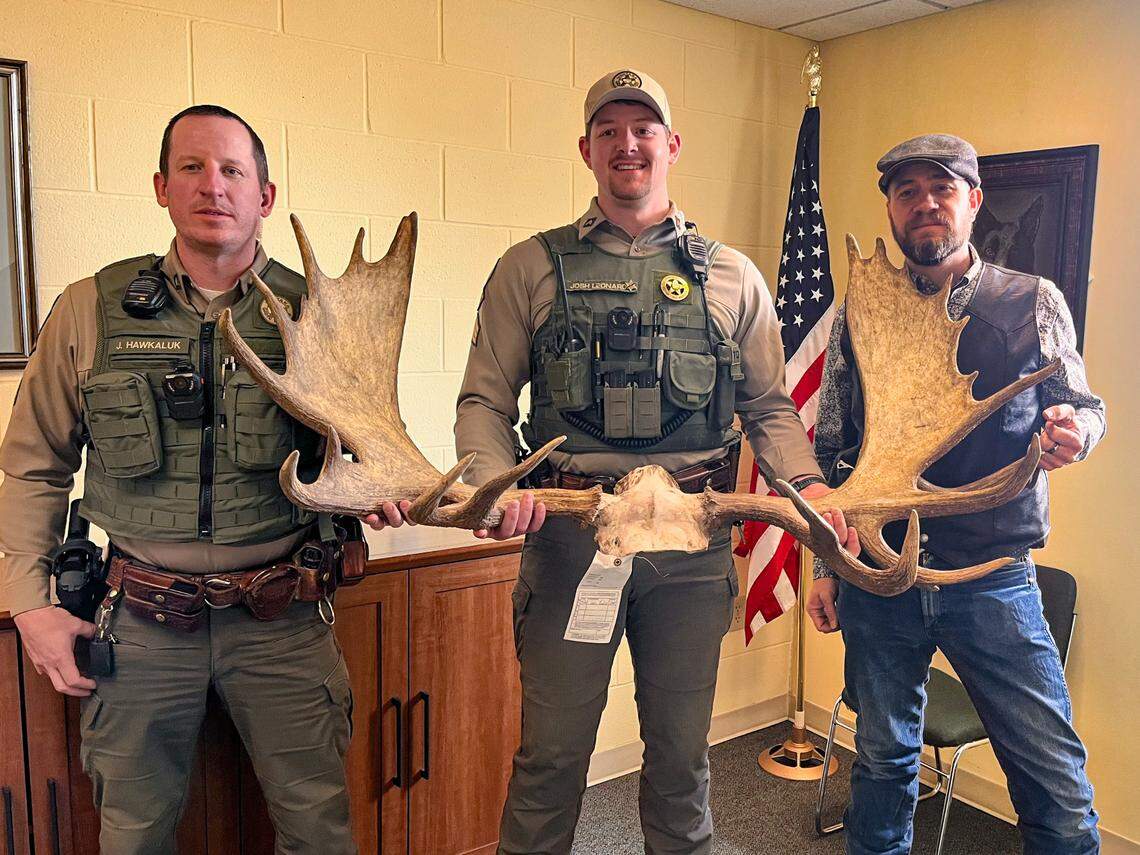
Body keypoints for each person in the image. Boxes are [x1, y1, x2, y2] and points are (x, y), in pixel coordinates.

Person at [454, 69, 856, 854]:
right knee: (552, 759)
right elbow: (484, 403)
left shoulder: (734, 276)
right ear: (586, 149)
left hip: (691, 545)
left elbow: (770, 408)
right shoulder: (528, 268)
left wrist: (807, 488)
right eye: (609, 130)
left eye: (644, 129)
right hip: (573, 540)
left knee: (681, 760)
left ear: (671, 146)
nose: (627, 143)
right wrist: (487, 481)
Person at [0, 105, 360, 854]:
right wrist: (27, 603)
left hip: (283, 622)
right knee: (132, 836)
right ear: (162, 187)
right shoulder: (89, 308)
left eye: (233, 170)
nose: (213, 185)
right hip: (138, 624)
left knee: (318, 831)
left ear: (264, 195)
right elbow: (34, 462)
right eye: (192, 168)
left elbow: (361, 449)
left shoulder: (320, 310)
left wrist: (370, 481)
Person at [807, 133, 1104, 855]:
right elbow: (832, 447)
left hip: (991, 579)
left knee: (1052, 782)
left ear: (973, 201)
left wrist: (1075, 432)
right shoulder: (862, 311)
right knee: (882, 762)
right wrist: (823, 564)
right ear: (891, 210)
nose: (925, 204)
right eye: (907, 192)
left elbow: (1085, 406)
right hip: (879, 577)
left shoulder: (1034, 301)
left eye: (941, 189)